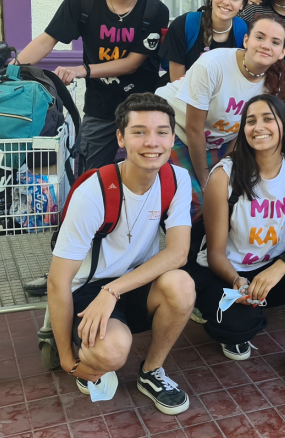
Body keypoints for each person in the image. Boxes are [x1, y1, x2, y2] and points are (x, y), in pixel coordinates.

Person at [47, 93, 195, 414]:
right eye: (139, 131)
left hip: (129, 284)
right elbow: (58, 282)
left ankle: (152, 371)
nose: (151, 142)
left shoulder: (176, 178)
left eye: (162, 132)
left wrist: (113, 291)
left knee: (181, 284)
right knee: (113, 353)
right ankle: (91, 352)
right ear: (121, 138)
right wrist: (67, 360)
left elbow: (179, 252)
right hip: (89, 288)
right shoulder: (93, 193)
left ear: (172, 137)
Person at [184, 94, 285, 384]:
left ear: (284, 126)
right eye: (250, 121)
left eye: (268, 118)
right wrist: (237, 282)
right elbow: (216, 253)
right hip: (232, 271)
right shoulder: (224, 176)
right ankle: (219, 313)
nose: (259, 127)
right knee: (236, 327)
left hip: (276, 267)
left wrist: (282, 265)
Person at [16, 0, 169, 170]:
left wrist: (80, 70)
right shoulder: (84, 0)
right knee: (89, 179)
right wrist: (10, 72)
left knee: (145, 175)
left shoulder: (155, 10)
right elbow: (47, 41)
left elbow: (131, 64)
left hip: (143, 109)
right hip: (100, 108)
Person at [154, 14, 285, 219]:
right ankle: (189, 249)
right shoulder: (213, 64)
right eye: (260, 37)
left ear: (282, 52)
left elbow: (244, 128)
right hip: (172, 127)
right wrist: (205, 181)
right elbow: (193, 128)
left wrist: (226, 167)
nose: (266, 46)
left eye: (275, 42)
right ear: (246, 40)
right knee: (199, 203)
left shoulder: (274, 82)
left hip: (216, 139)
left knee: (228, 198)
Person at [159, 0, 249, 81]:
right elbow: (177, 84)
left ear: (242, 4)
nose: (226, 1)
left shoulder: (245, 31)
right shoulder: (183, 25)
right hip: (181, 95)